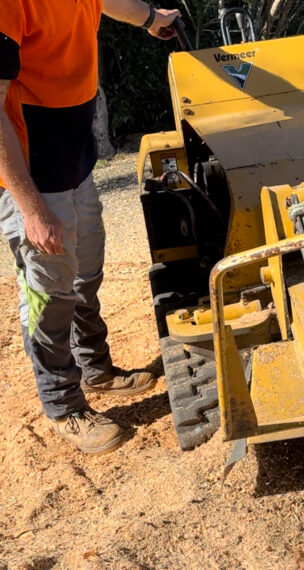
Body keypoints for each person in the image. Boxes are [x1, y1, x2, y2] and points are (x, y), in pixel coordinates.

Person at [0, 0, 182, 455]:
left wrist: (151, 20)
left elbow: (111, 2)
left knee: (86, 273)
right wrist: (32, 209)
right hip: (32, 179)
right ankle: (62, 403)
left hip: (72, 160)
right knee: (51, 290)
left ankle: (95, 369)